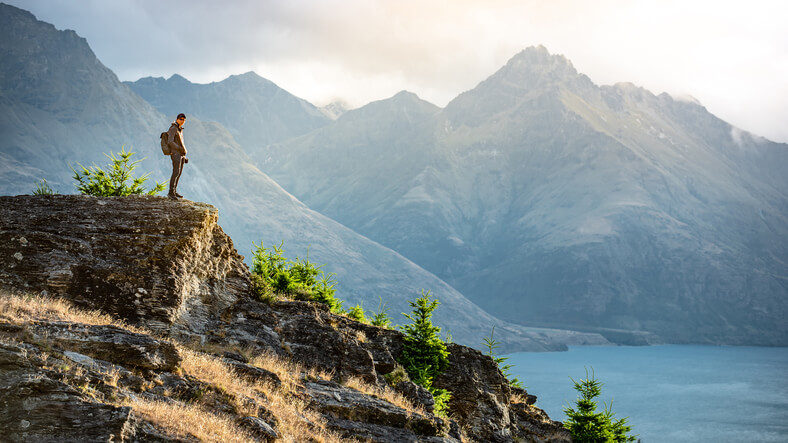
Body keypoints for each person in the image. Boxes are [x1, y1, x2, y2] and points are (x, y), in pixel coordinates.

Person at [166, 113, 188, 200]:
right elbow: (170, 141)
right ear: (177, 119)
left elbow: (180, 143)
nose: (182, 121)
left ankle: (174, 191)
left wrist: (184, 155)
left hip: (181, 155)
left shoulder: (180, 129)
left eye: (184, 120)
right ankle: (171, 192)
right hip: (175, 154)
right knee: (175, 172)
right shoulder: (173, 128)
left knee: (178, 173)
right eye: (181, 119)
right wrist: (179, 149)